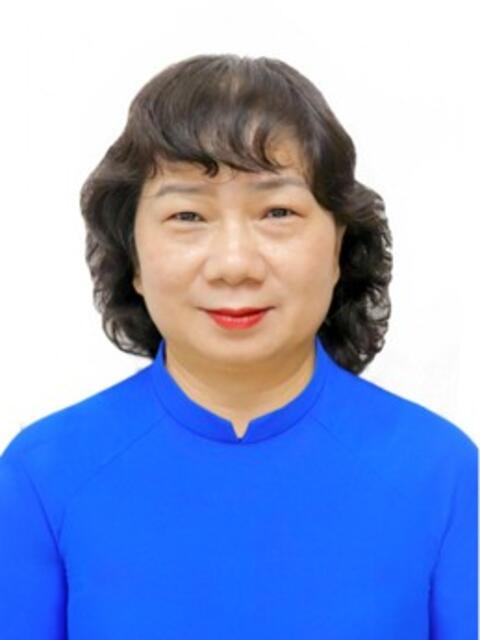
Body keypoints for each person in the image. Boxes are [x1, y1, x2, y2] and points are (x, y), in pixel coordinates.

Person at [0, 53, 477, 639]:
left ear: (338, 246)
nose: (234, 264)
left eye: (278, 211)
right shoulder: (41, 476)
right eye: (187, 215)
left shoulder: (444, 473)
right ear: (134, 258)